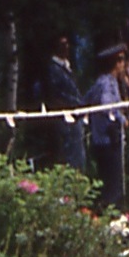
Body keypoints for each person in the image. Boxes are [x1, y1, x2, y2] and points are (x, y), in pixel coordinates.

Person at [84, 44, 129, 208]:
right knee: (113, 183)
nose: (124, 65)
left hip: (101, 139)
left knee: (107, 181)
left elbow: (86, 99)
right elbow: (106, 105)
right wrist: (120, 118)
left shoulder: (101, 82)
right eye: (122, 60)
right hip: (108, 139)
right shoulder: (107, 84)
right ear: (116, 63)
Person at [45, 36, 87, 170]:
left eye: (68, 44)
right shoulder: (53, 70)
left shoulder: (67, 67)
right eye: (63, 44)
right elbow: (56, 95)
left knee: (79, 156)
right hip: (66, 120)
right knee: (70, 157)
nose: (66, 47)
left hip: (77, 117)